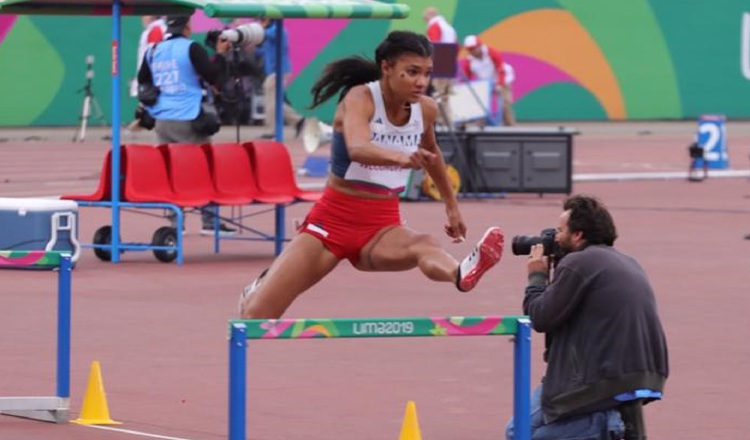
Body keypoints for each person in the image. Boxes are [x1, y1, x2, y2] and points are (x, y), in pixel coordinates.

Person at [239, 30, 505, 319]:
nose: (421, 82)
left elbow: (433, 154)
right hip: (331, 225)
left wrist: (452, 207)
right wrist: (401, 157)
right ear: (387, 68)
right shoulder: (360, 98)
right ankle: (258, 289)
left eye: (427, 73)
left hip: (382, 227)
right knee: (257, 317)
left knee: (424, 244)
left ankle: (461, 272)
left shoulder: (426, 109)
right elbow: (358, 147)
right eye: (412, 72)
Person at [505, 195, 669, 440]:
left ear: (578, 235)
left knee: (531, 436)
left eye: (560, 231)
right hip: (639, 375)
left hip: (600, 381)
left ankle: (612, 424)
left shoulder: (579, 262)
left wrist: (537, 277)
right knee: (517, 430)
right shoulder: (626, 261)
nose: (555, 238)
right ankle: (613, 420)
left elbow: (540, 317)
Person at [137, 14, 236, 235]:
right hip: (189, 117)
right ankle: (210, 221)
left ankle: (175, 224)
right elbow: (213, 77)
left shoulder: (153, 51)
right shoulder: (191, 48)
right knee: (204, 168)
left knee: (171, 171)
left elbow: (143, 79)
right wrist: (220, 55)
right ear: (188, 28)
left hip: (162, 118)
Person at [257, 19, 305, 139]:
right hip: (275, 71)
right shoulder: (272, 31)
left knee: (271, 100)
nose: (261, 21)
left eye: (264, 19)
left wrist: (255, 29)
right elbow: (263, 49)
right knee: (274, 100)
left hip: (279, 70)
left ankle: (271, 130)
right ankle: (298, 120)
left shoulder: (277, 29)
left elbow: (262, 34)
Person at [459, 35, 516, 126]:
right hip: (485, 83)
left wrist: (499, 84)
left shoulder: (491, 52)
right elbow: (466, 79)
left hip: (502, 79)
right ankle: (481, 130)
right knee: (480, 106)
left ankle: (510, 127)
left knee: (505, 104)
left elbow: (501, 69)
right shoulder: (469, 61)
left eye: (474, 48)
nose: (472, 51)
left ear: (479, 45)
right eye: (469, 49)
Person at [423, 7, 457, 126]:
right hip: (449, 64)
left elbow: (433, 46)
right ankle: (448, 121)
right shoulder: (448, 27)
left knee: (437, 94)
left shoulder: (434, 25)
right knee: (445, 95)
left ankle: (438, 121)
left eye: (425, 18)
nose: (425, 20)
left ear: (429, 16)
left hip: (439, 65)